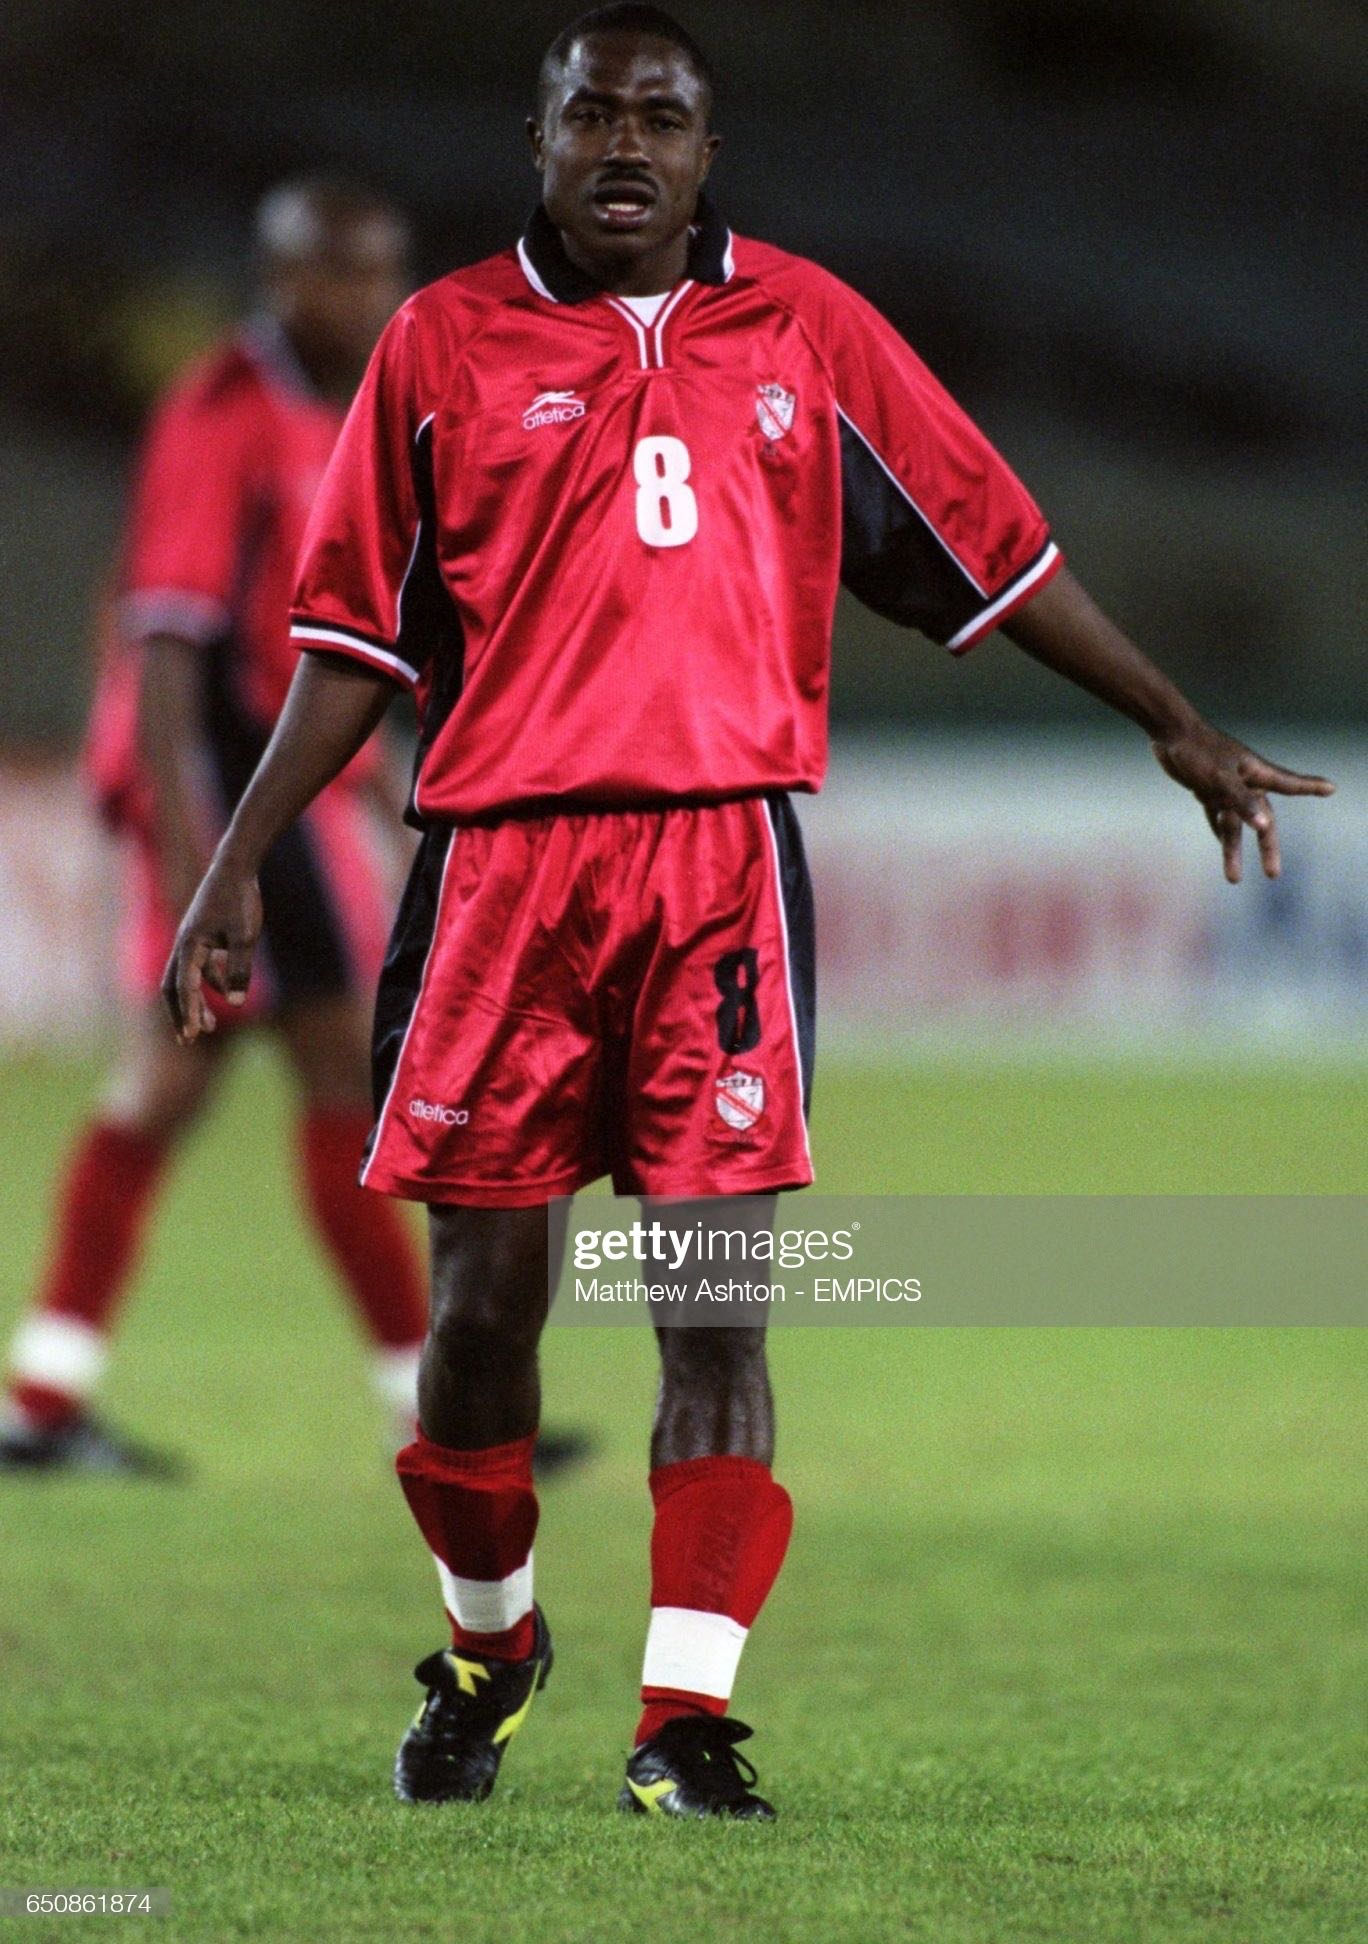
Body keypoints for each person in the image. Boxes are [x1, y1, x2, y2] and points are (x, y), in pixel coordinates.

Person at [161, 6, 1334, 1817]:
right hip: (500, 876)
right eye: (590, 112)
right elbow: (348, 646)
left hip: (720, 874)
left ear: (711, 149)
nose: (625, 141)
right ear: (535, 137)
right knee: (483, 1308)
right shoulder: (439, 342)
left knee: (716, 1311)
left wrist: (1172, 719)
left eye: (663, 116)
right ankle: (492, 1647)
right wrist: (235, 860)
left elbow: (987, 545)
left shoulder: (808, 327)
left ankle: (680, 1723)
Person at [0, 179, 429, 1474]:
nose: (367, 300)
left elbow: (322, 635)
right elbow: (172, 640)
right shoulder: (223, 408)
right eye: (339, 276)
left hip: (258, 780)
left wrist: (381, 775)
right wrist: (205, 871)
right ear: (281, 280)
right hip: (216, 776)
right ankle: (432, 1402)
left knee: (178, 1082)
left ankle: (42, 1400)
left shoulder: (345, 411)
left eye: (382, 274)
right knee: (337, 1064)